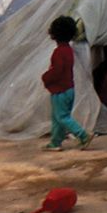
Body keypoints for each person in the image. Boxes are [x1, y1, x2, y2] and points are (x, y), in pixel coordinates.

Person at [41, 16, 90, 152]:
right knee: (58, 117)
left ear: (54, 34)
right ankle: (55, 142)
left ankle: (83, 135)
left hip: (60, 91)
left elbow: (57, 71)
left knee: (62, 117)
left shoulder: (59, 52)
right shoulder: (68, 50)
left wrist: (46, 77)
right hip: (68, 89)